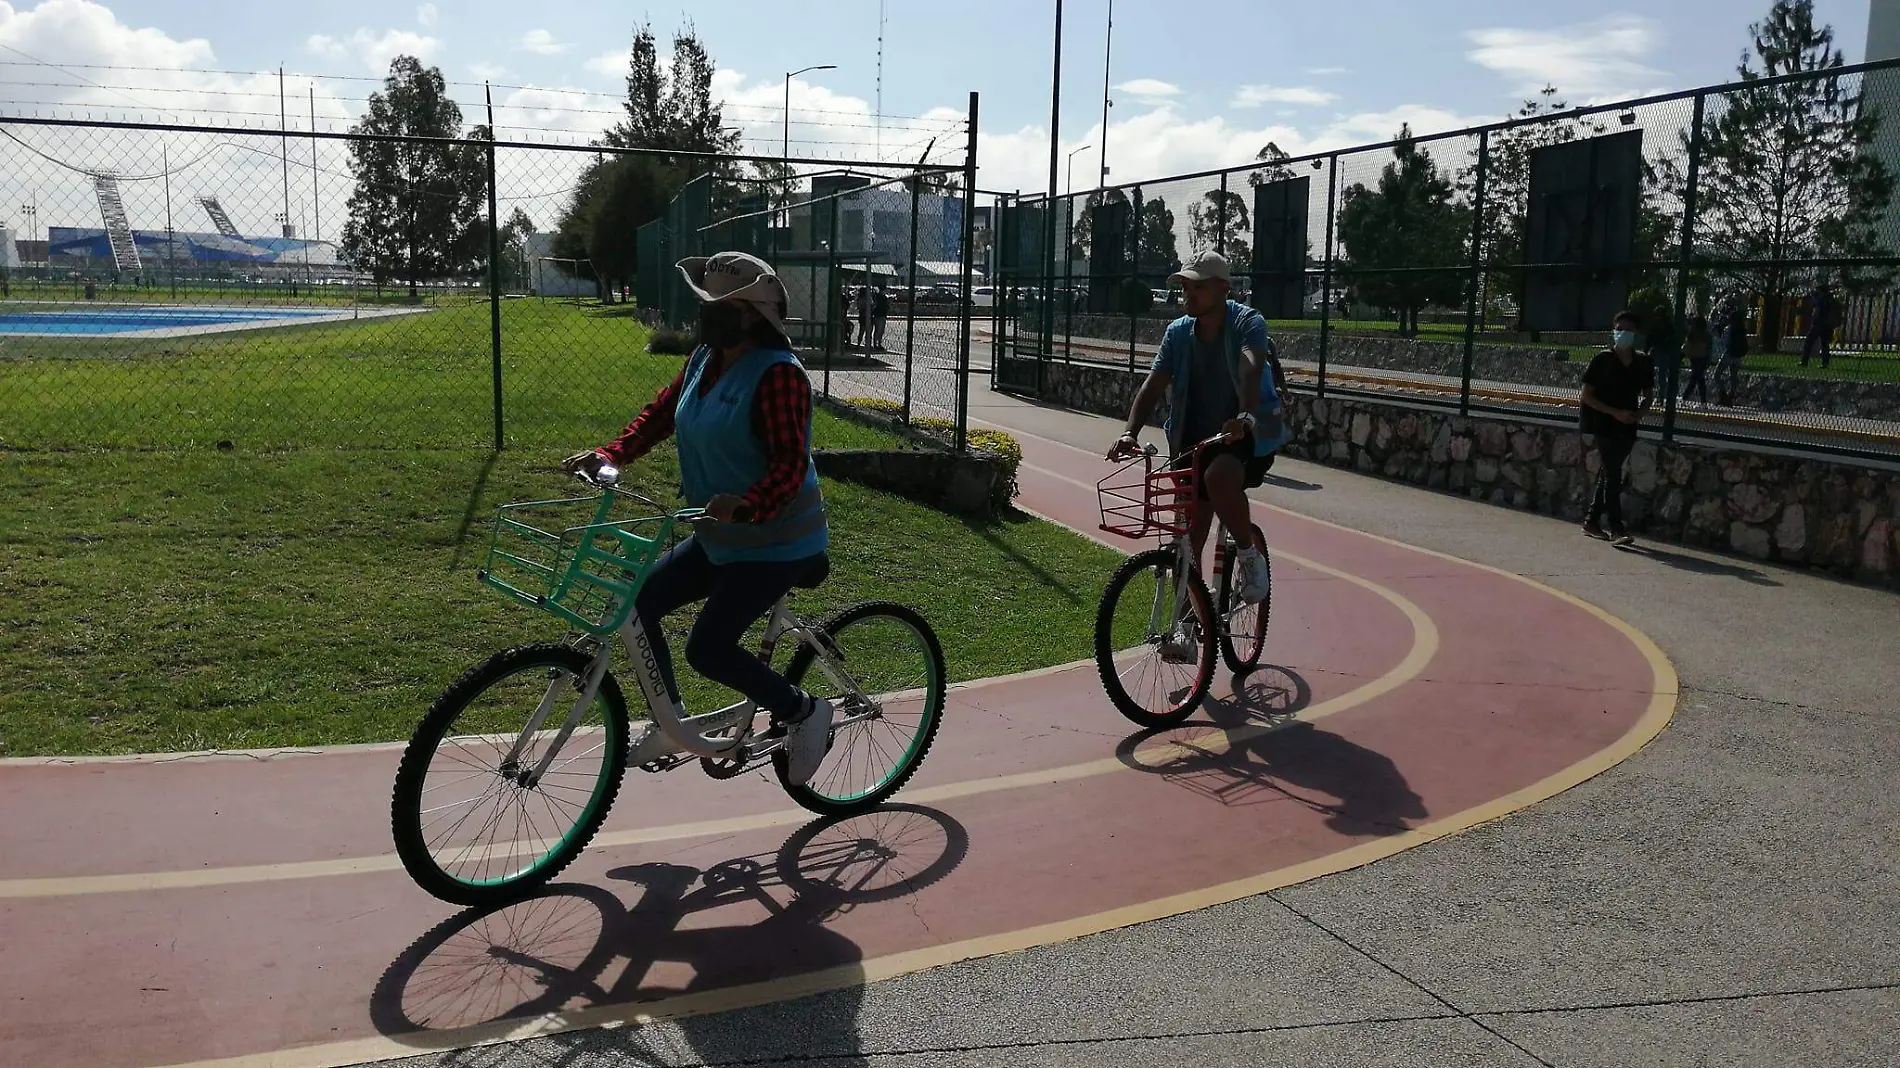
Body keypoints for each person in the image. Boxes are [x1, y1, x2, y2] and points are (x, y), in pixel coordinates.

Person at [562, 251, 834, 785]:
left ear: (752, 313)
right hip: (719, 536)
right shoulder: (706, 359)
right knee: (641, 600)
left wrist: (749, 502)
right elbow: (662, 412)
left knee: (708, 648)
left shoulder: (779, 377)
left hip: (776, 543)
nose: (704, 312)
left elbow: (788, 464)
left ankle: (805, 711)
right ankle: (672, 724)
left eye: (718, 304)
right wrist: (614, 454)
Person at [1107, 252, 1287, 611]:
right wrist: (1130, 432)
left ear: (1224, 289)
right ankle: (1187, 623)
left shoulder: (1247, 322)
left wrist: (1245, 415)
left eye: (1198, 287)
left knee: (1219, 478)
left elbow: (1251, 364)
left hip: (1244, 434)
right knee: (1186, 539)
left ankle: (1250, 558)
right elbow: (1155, 383)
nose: (1188, 294)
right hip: (1192, 441)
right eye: (1185, 287)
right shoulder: (1177, 333)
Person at [1578, 309, 1655, 546]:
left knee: (1610, 473)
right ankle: (1616, 526)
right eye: (1618, 329)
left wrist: (1638, 414)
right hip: (1604, 424)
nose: (1622, 334)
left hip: (1627, 426)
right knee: (1613, 475)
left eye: (1627, 330)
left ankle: (1591, 521)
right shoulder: (1602, 360)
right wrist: (1614, 413)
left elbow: (1649, 395)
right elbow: (1586, 396)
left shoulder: (1642, 362)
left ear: (1637, 333)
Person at [1713, 295, 1748, 405]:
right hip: (1739, 354)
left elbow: (1724, 341)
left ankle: (1723, 395)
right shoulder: (1741, 324)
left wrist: (1718, 332)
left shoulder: (1730, 326)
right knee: (1733, 375)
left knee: (1717, 374)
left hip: (1730, 352)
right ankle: (1731, 396)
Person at [1680, 309, 1713, 408]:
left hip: (1695, 358)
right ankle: (1686, 398)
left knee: (1698, 380)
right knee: (1696, 379)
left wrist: (1684, 354)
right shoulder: (1707, 334)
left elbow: (1687, 346)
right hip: (1703, 358)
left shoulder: (1693, 333)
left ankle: (1701, 402)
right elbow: (1709, 348)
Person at [1801, 282, 1838, 368]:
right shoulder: (1830, 299)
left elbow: (1817, 311)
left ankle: (1804, 361)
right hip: (1827, 324)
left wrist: (1814, 318)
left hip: (1818, 323)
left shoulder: (1820, 298)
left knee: (1809, 342)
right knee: (1824, 344)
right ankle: (1825, 362)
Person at [870, 284, 890, 350]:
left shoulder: (878, 297)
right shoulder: (880, 297)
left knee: (879, 330)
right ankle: (877, 344)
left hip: (880, 315)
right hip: (879, 315)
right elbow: (886, 306)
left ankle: (877, 343)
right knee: (879, 330)